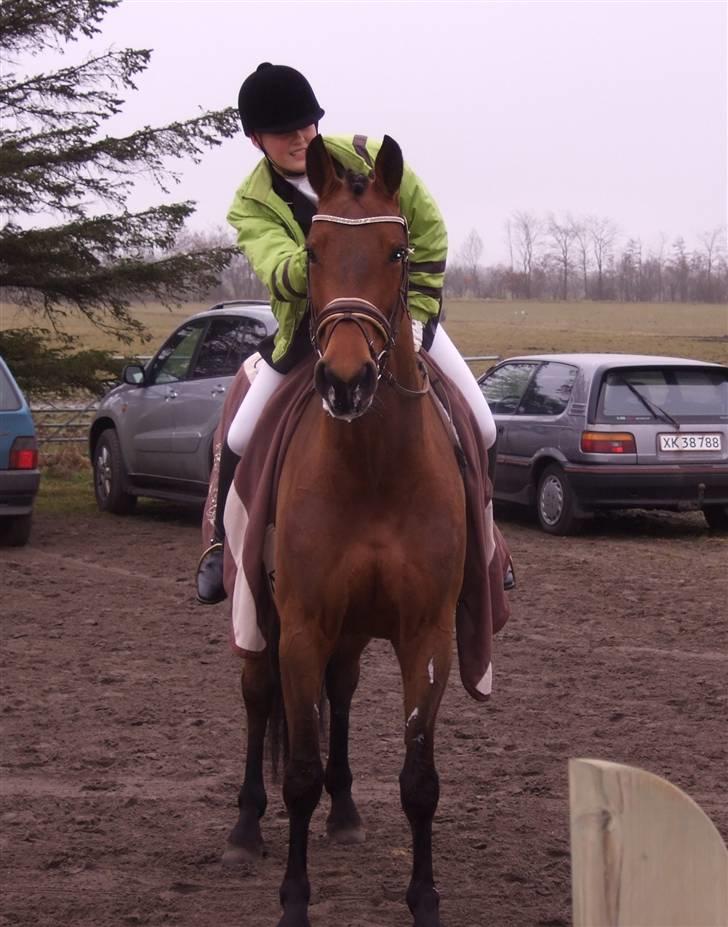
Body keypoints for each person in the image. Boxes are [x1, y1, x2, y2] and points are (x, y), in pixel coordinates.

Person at [196, 62, 511, 604]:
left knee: (481, 426)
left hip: (401, 319)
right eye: (281, 131)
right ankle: (222, 547)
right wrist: (325, 253)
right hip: (309, 329)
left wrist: (413, 315)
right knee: (239, 437)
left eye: (306, 125)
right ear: (255, 140)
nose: (298, 138)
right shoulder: (250, 204)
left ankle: (488, 543)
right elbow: (278, 270)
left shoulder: (368, 156)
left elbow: (430, 229)